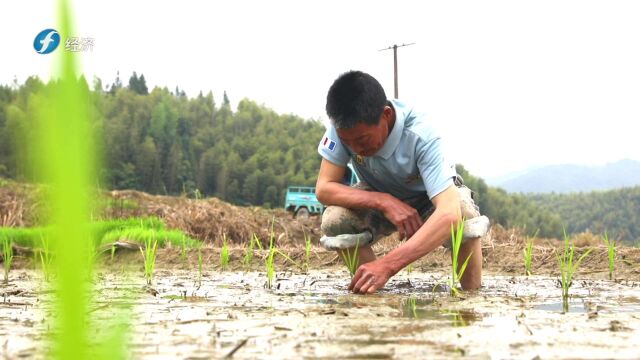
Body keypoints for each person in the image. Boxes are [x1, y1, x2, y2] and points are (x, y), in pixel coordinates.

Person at [315, 70, 489, 294]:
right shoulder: (342, 129)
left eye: (362, 139)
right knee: (335, 220)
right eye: (349, 143)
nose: (356, 149)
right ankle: (372, 294)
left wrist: (387, 265)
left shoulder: (422, 135)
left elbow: (449, 213)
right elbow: (324, 188)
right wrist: (383, 201)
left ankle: (472, 297)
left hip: (428, 197)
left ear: (386, 115)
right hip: (377, 194)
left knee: (463, 216)